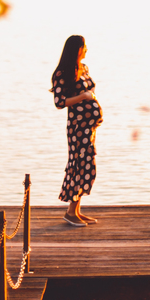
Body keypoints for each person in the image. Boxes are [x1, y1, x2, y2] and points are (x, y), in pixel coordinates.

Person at [50, 34, 103, 226]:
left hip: (89, 128)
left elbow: (90, 91)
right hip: (77, 128)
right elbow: (59, 102)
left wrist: (91, 100)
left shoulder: (83, 69)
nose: (87, 48)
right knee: (78, 165)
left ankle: (76, 211)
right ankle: (70, 212)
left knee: (87, 164)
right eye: (84, 46)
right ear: (77, 49)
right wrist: (84, 97)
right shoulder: (61, 73)